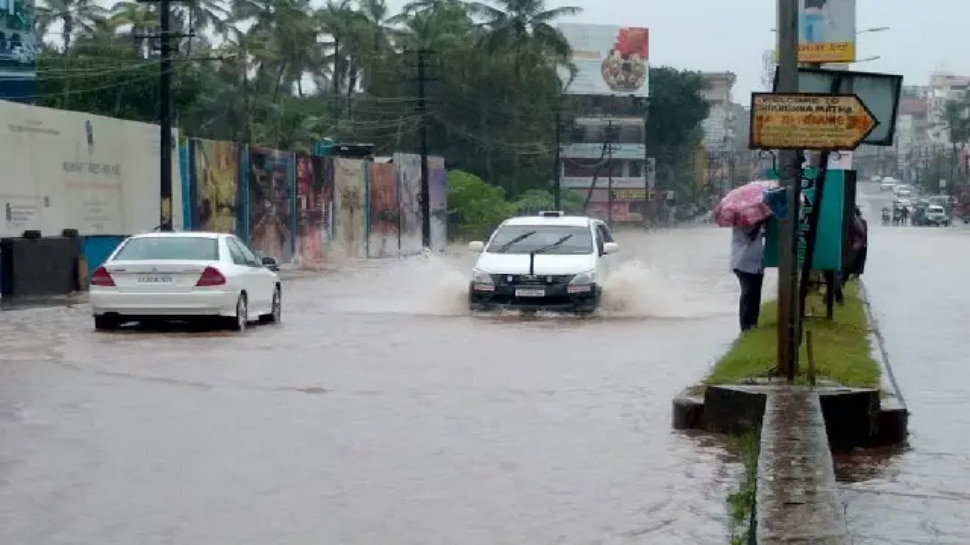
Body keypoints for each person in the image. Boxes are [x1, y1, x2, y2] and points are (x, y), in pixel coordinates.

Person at [731, 220, 766, 332]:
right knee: (748, 292)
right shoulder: (741, 222)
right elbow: (750, 236)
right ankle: (745, 325)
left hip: (756, 263)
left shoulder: (755, 222)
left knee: (755, 294)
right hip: (743, 263)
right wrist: (759, 224)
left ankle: (753, 323)